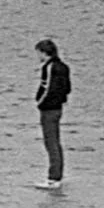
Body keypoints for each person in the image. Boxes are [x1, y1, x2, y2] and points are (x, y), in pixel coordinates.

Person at [33, 38, 71, 188]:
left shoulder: (49, 67)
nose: (38, 57)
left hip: (49, 109)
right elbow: (67, 88)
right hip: (58, 109)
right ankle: (57, 175)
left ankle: (53, 178)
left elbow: (47, 88)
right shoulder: (64, 66)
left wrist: (40, 103)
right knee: (56, 142)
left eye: (38, 53)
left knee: (51, 143)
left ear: (44, 52)